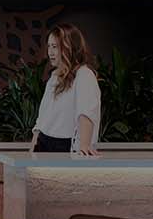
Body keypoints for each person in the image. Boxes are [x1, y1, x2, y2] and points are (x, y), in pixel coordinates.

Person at [30, 23, 101, 156]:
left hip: (66, 146)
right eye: (49, 46)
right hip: (44, 144)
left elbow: (86, 112)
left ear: (69, 47)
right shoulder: (54, 77)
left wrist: (84, 146)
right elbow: (42, 119)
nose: (50, 52)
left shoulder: (84, 74)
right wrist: (32, 150)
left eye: (55, 47)